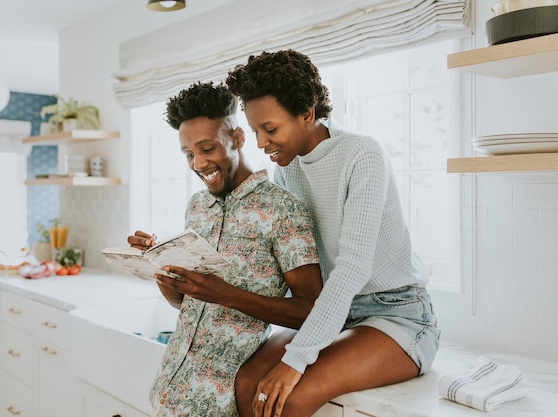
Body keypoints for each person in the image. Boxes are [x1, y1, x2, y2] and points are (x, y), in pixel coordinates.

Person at [226, 50, 441, 417]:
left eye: (271, 129)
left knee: (288, 397)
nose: (261, 143)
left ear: (307, 114)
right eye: (256, 131)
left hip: (397, 315)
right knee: (248, 384)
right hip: (336, 315)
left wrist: (295, 361)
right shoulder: (288, 171)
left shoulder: (361, 154)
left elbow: (353, 267)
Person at [127, 81, 323, 417]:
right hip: (168, 392)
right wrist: (162, 268)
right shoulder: (197, 207)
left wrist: (223, 294)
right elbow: (186, 304)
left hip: (223, 401)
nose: (198, 163)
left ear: (237, 139)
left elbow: (313, 311)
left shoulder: (283, 209)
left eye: (207, 149)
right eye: (189, 154)